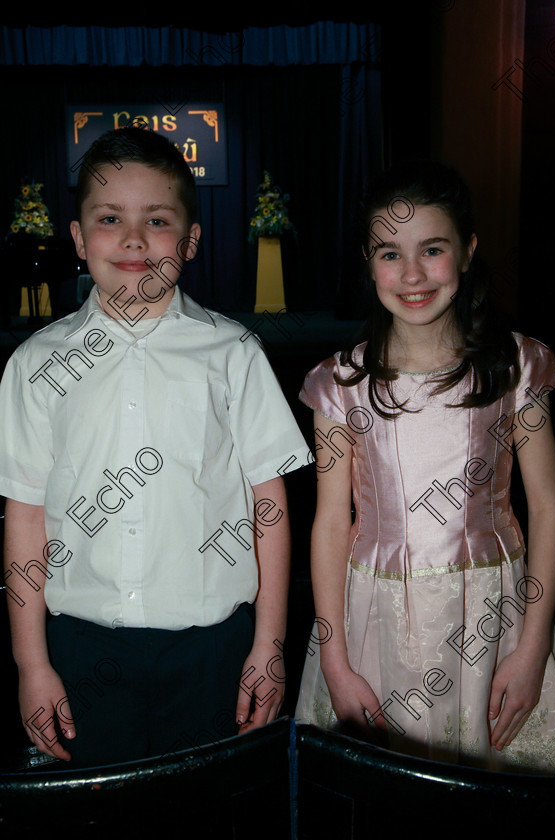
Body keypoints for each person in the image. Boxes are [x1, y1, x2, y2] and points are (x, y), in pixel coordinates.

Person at [0, 126, 311, 768]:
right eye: (111, 219)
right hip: (82, 648)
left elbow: (268, 504)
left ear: (191, 241)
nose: (135, 240)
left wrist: (269, 643)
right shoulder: (34, 366)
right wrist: (32, 663)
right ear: (80, 237)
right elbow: (26, 515)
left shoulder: (235, 354)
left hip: (213, 649)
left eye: (159, 220)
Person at [296, 159, 555, 773]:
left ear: (466, 252)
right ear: (367, 260)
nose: (412, 274)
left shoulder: (516, 367)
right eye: (389, 253)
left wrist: (533, 645)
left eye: (432, 249)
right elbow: (332, 524)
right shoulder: (339, 384)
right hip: (374, 622)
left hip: (490, 615)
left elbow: (547, 505)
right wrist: (335, 661)